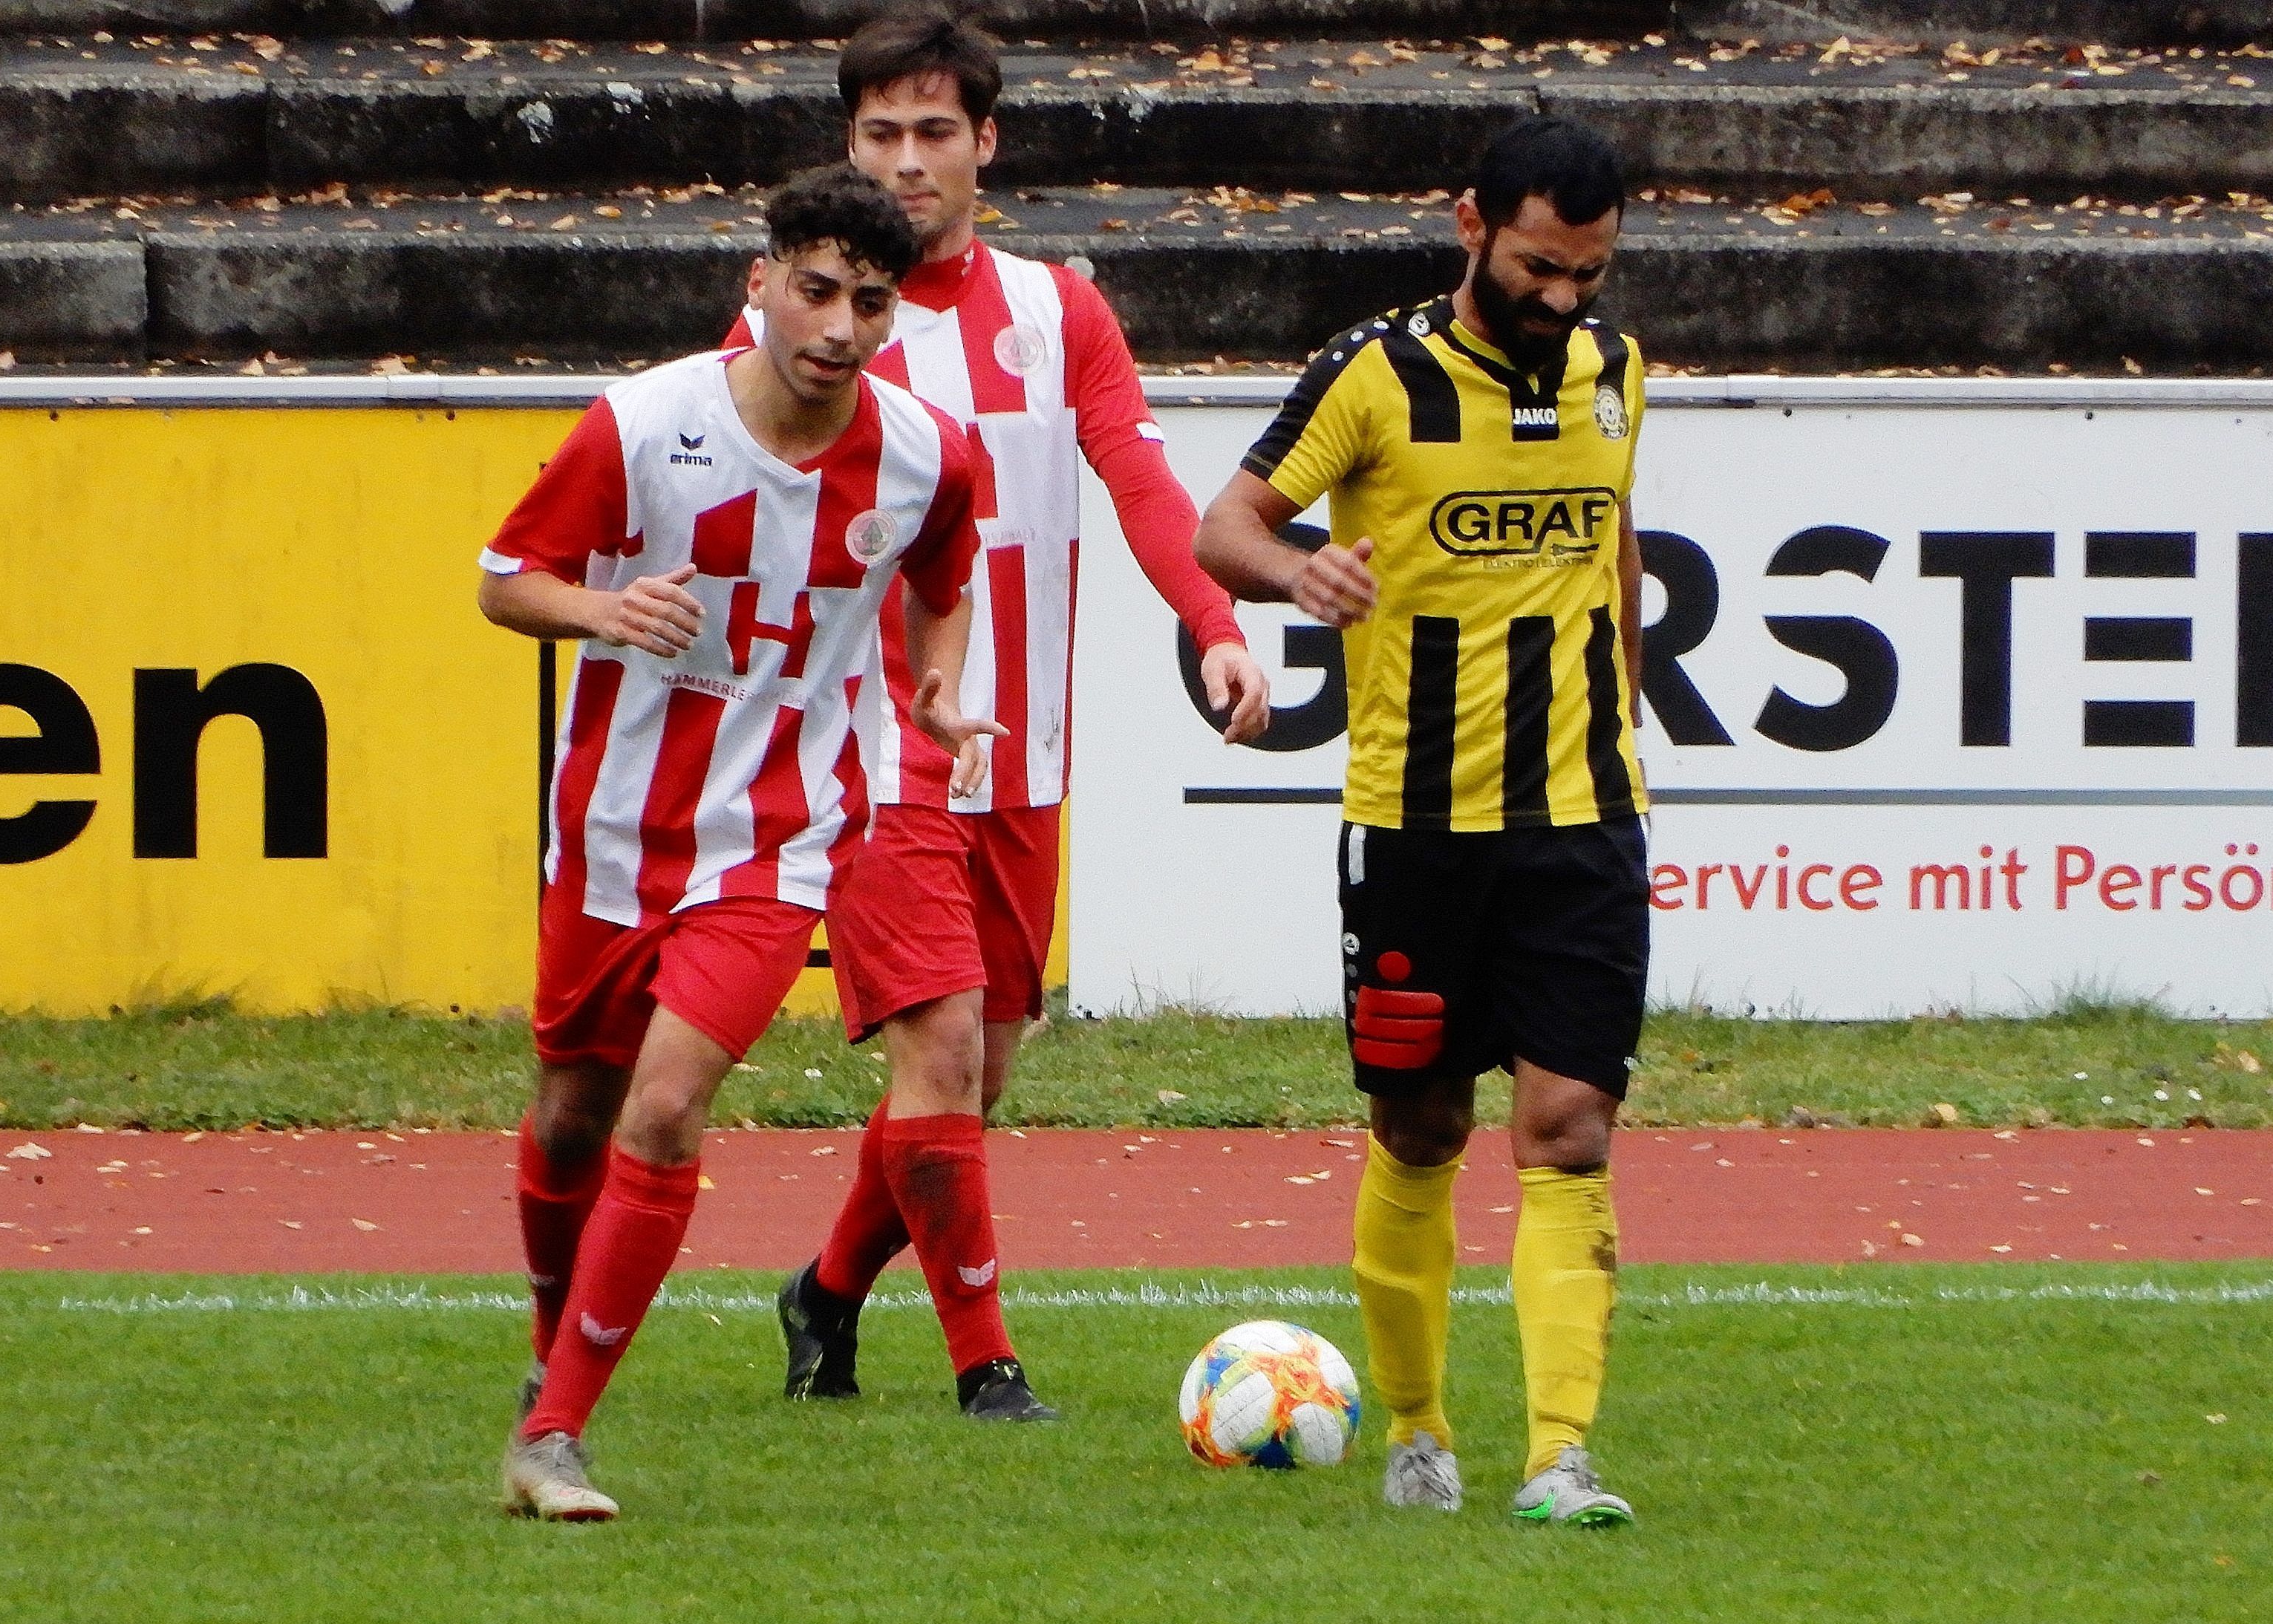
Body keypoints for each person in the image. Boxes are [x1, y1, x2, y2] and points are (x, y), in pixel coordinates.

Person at [746, 5, 1272, 1422]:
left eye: (933, 134)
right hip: (874, 747)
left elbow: (1145, 489)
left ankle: (828, 1292)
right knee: (943, 1051)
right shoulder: (803, 316)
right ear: (847, 145)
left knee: (976, 1083)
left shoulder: (1062, 311)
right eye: (879, 135)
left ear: (986, 143)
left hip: (1024, 751)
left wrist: (1215, 626)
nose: (907, 163)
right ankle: (988, 1366)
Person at [477, 163, 997, 1521]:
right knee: (575, 1109)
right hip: (613, 828)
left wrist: (939, 686)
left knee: (664, 1104)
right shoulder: (645, 425)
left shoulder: (929, 450)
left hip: (784, 830)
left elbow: (946, 575)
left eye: (869, 303)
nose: (838, 325)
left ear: (895, 317)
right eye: (815, 290)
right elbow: (500, 579)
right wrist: (600, 613)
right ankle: (551, 1344)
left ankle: (554, 1439)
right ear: (759, 283)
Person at [1193, 114, 1648, 1526]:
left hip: (1584, 821)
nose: (1562, 300)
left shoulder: (1618, 374)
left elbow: (1617, 546)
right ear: (1469, 225)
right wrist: (1297, 575)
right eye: (1535, 267)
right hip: (1414, 830)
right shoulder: (1374, 374)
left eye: (1588, 272)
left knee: (1569, 1128)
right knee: (1422, 1126)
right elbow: (1226, 526)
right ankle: (1415, 1428)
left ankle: (1561, 1459)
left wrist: (1626, 717)